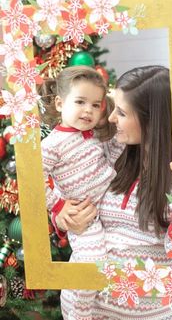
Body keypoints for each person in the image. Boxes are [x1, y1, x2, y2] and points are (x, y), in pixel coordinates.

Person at [55, 65, 172, 320]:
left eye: (121, 112)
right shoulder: (109, 152)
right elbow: (66, 184)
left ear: (150, 118)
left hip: (152, 313)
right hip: (88, 311)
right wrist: (62, 217)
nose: (109, 119)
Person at [39, 65, 124, 320]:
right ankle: (78, 310)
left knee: (106, 259)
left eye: (96, 105)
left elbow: (114, 153)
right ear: (59, 103)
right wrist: (58, 206)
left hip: (107, 201)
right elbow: (34, 178)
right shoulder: (52, 144)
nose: (89, 110)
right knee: (92, 260)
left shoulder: (93, 135)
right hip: (85, 216)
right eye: (80, 102)